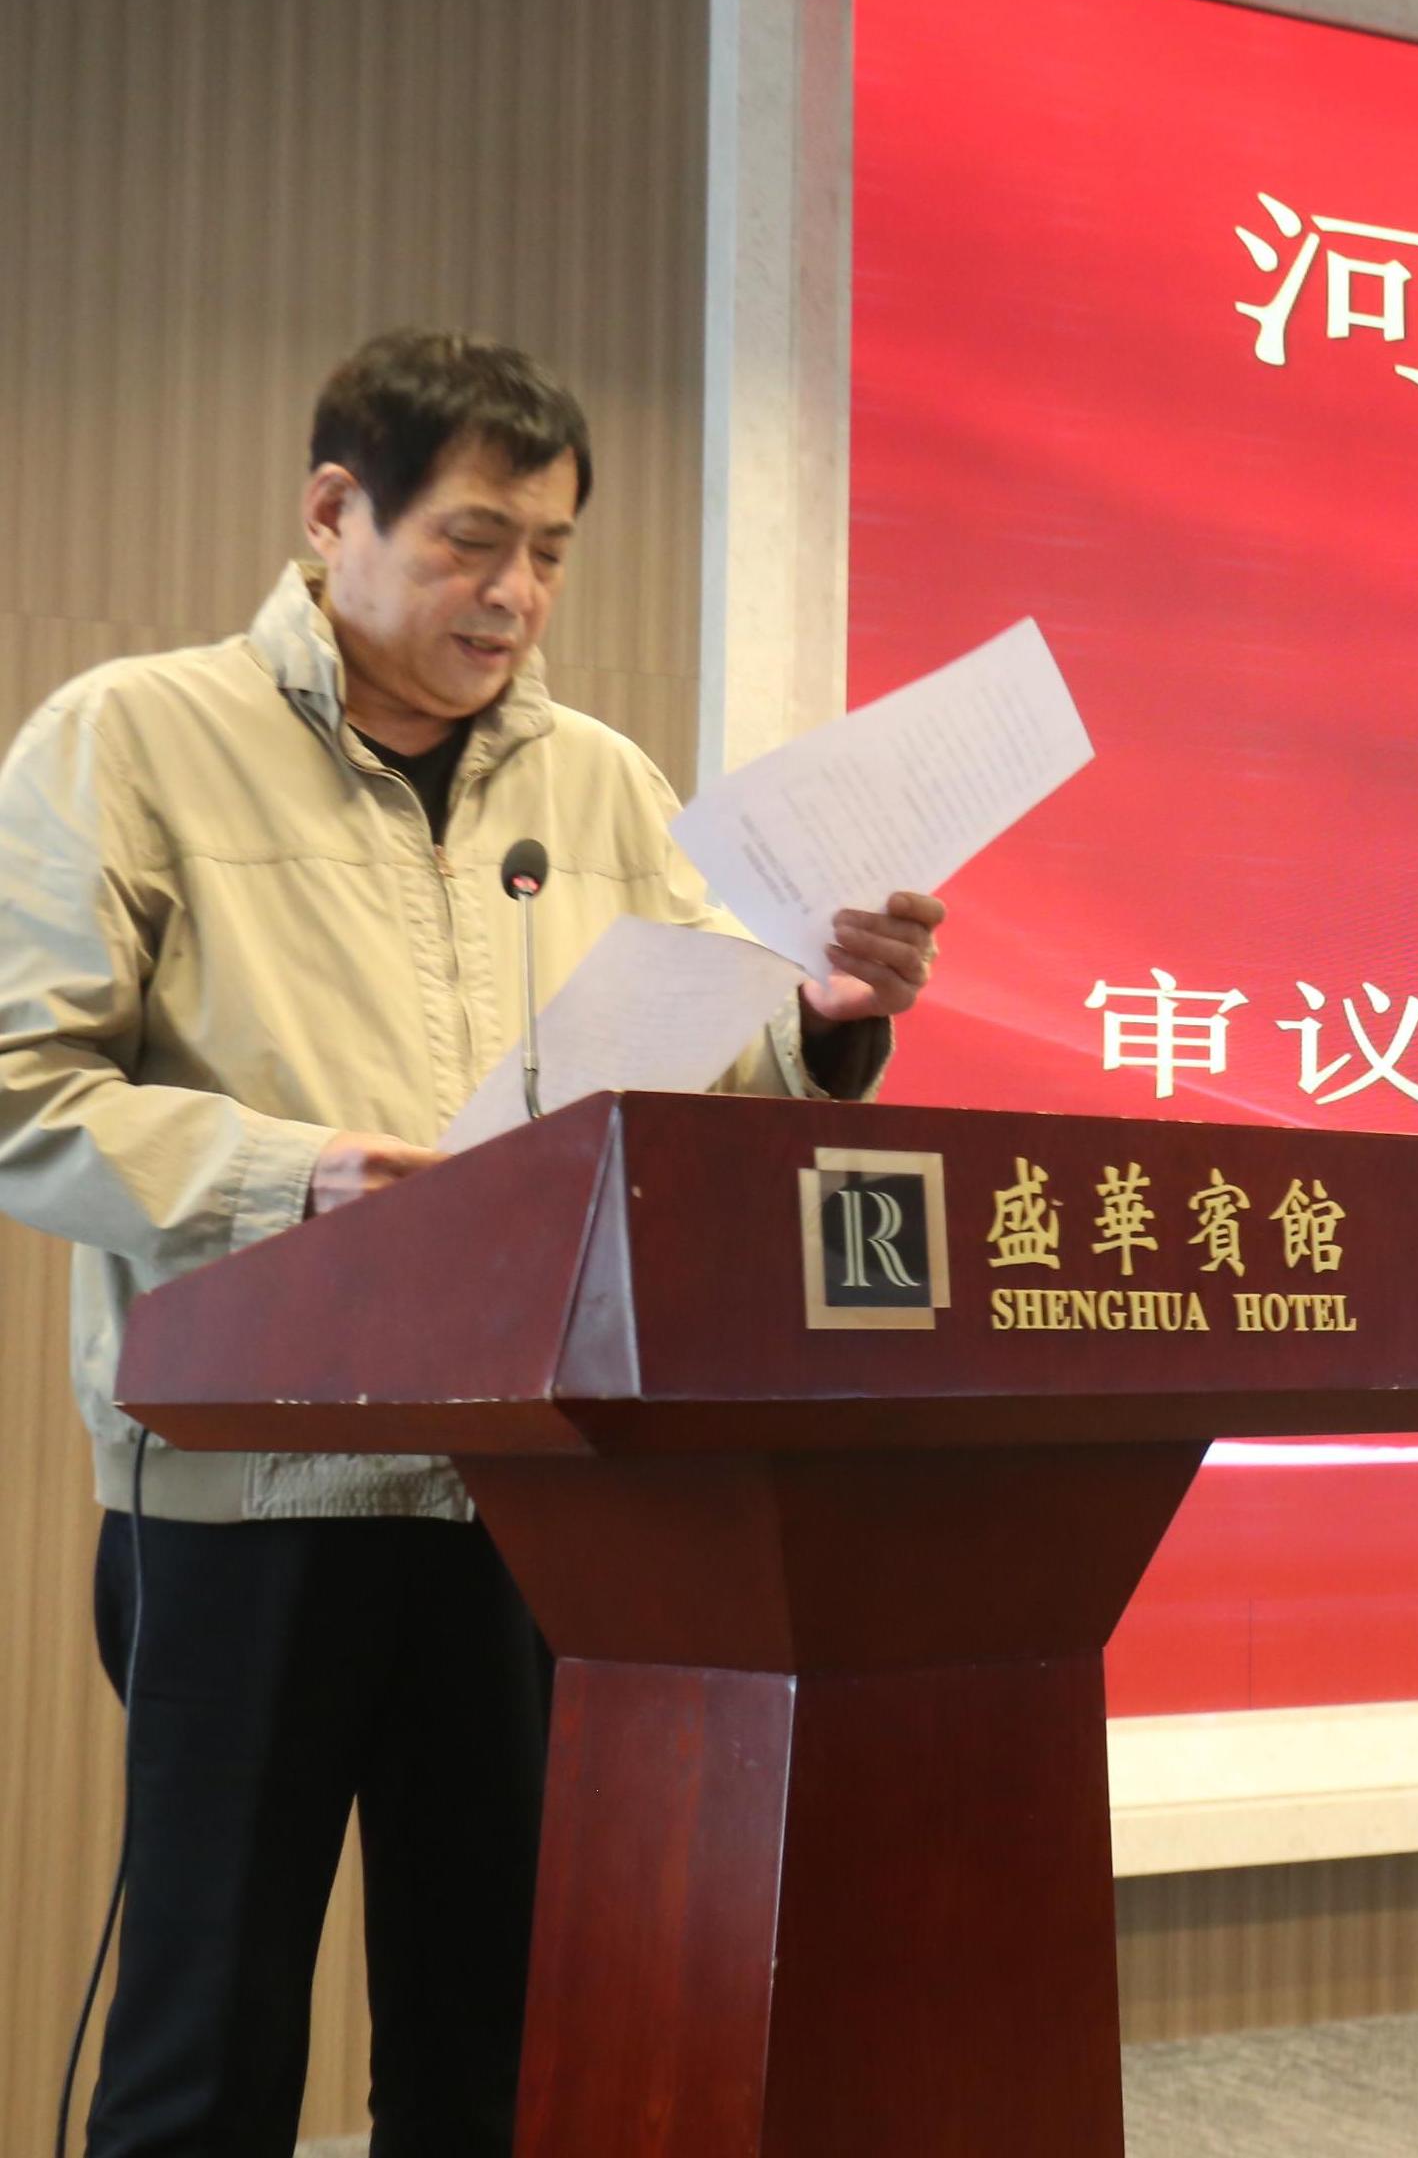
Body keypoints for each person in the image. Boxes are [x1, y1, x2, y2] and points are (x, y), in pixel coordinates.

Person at [0, 330, 948, 2157]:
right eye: (472, 540)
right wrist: (294, 1177)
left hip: (522, 1488)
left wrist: (820, 1022)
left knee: (495, 2043)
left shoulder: (597, 783)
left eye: (552, 552)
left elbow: (697, 1069)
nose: (516, 593)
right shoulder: (134, 740)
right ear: (331, 512)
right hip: (248, 1493)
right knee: (207, 2051)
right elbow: (22, 1090)